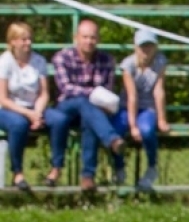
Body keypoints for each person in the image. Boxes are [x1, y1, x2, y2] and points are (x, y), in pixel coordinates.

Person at [44, 18, 124, 191]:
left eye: (93, 37)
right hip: (67, 108)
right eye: (85, 37)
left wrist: (96, 97)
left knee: (90, 116)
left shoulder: (106, 60)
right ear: (76, 38)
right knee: (83, 102)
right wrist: (92, 93)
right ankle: (111, 139)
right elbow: (65, 88)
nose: (89, 41)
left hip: (93, 111)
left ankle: (87, 177)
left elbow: (107, 91)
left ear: (98, 39)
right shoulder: (62, 57)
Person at [112, 27, 170, 192]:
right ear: (135, 47)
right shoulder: (128, 65)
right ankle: (119, 168)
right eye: (143, 46)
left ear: (155, 47)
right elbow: (132, 96)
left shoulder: (160, 62)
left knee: (147, 130)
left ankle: (152, 167)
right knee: (115, 131)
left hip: (147, 107)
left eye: (150, 45)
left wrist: (161, 119)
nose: (146, 50)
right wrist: (132, 126)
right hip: (127, 106)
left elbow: (159, 90)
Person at [0, 21, 50, 191]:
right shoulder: (5, 61)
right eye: (23, 39)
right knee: (18, 124)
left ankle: (55, 171)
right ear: (13, 41)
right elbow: (3, 99)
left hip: (34, 107)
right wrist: (29, 115)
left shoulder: (39, 61)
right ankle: (17, 172)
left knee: (59, 120)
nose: (28, 42)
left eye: (29, 39)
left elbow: (44, 93)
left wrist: (37, 112)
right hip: (8, 109)